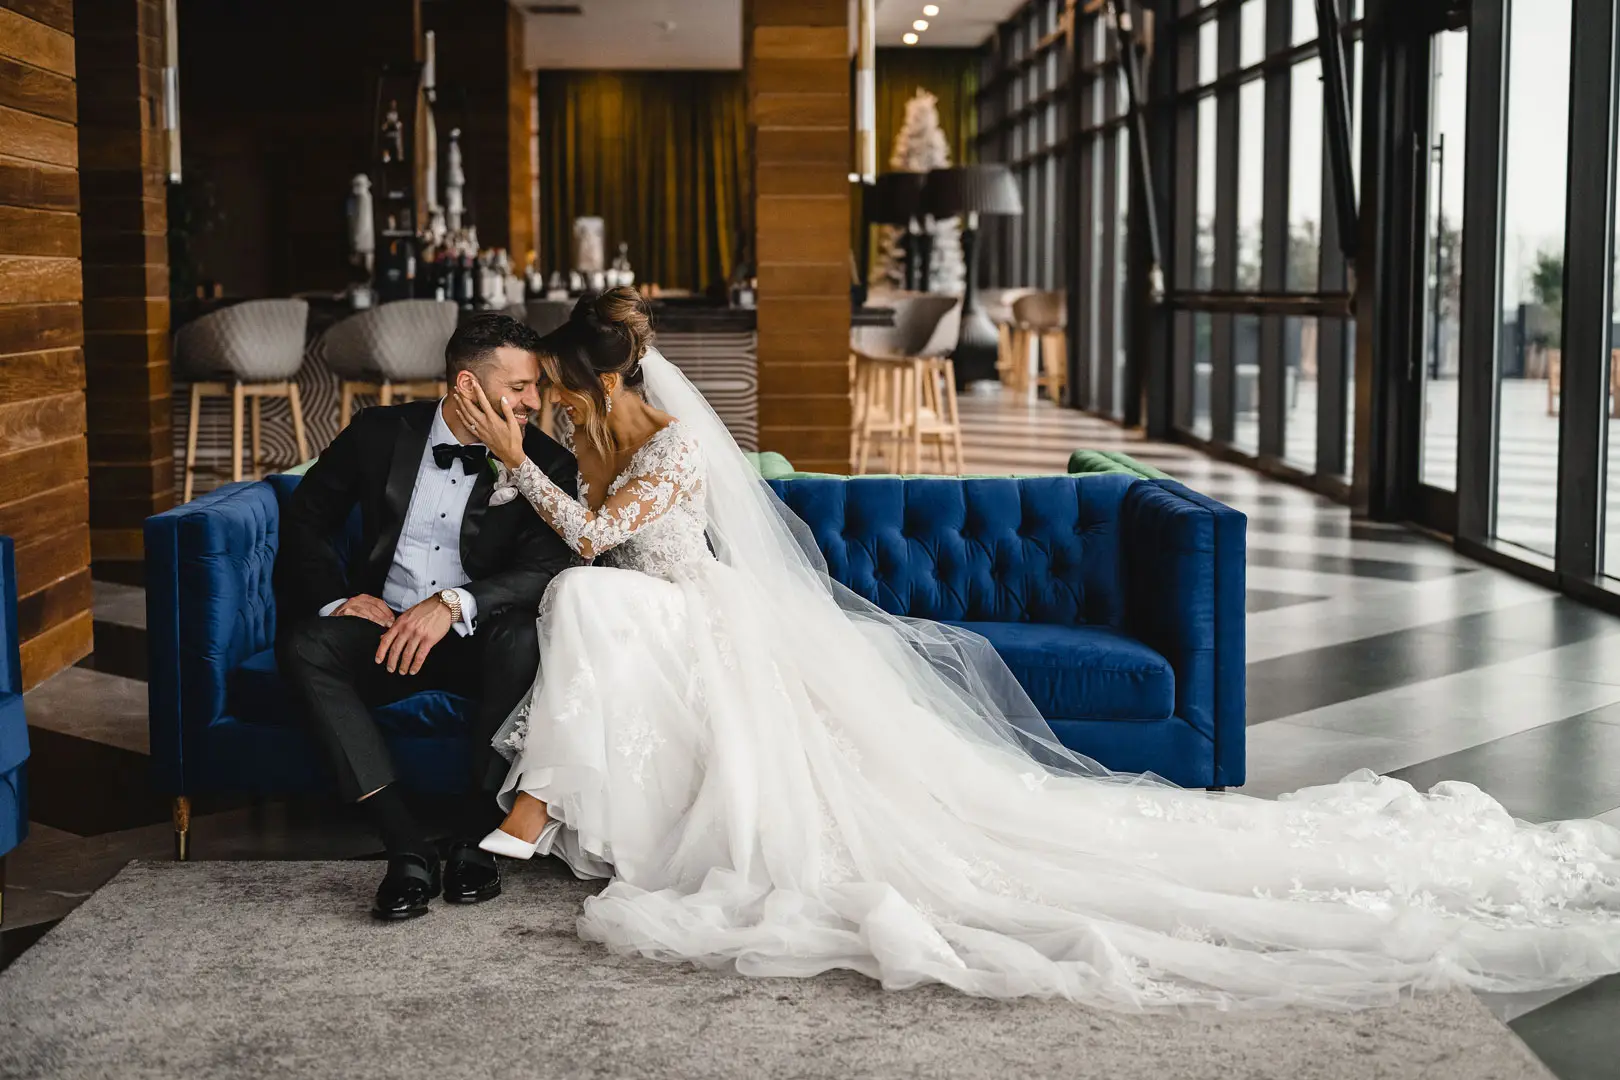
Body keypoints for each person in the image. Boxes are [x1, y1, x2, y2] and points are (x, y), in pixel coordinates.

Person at [455, 288, 1620, 1010]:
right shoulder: (607, 443)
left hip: (695, 611)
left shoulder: (663, 452)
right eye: (539, 399)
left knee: (588, 606)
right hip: (666, 611)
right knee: (592, 611)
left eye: (555, 393)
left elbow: (602, 540)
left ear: (601, 384)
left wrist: (512, 457)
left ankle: (538, 814)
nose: (548, 409)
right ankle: (548, 814)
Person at [275, 313, 579, 921]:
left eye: (535, 386)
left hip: (479, 637)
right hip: (384, 632)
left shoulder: (544, 462)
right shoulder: (378, 432)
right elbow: (307, 516)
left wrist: (451, 604)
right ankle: (404, 844)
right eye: (519, 388)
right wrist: (340, 599)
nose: (534, 400)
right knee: (306, 645)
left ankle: (473, 840)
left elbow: (547, 566)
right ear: (468, 386)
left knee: (522, 638)